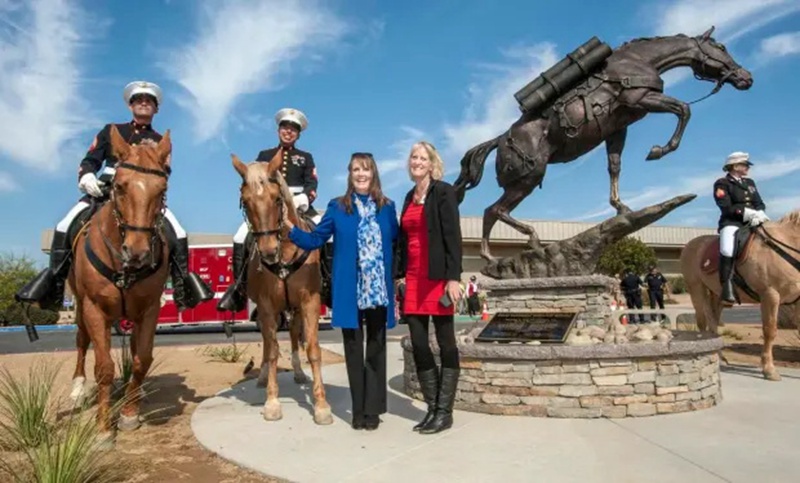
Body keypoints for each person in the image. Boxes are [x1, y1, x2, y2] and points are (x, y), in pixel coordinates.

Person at [15, 81, 213, 312]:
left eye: (149, 101)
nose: (143, 103)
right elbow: (91, 159)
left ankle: (182, 287)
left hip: (144, 198)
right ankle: (54, 288)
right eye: (138, 99)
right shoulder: (112, 130)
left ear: (156, 109)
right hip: (104, 190)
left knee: (178, 232)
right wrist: (88, 176)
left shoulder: (161, 140)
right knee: (64, 225)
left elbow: (164, 173)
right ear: (130, 106)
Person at [287, 153, 398, 431]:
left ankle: (373, 410)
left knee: (376, 348)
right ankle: (357, 409)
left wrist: (399, 276)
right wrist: (290, 231)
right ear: (350, 174)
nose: (361, 174)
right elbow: (316, 239)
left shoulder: (387, 207)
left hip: (378, 291)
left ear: (374, 174)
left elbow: (397, 243)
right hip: (350, 289)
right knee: (352, 349)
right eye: (356, 170)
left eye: (366, 169)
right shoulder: (337, 207)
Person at [218, 107, 331, 313]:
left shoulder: (305, 157)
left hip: (300, 206)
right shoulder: (265, 155)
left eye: (293, 129)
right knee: (240, 237)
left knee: (327, 237)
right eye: (285, 127)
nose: (288, 132)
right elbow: (255, 183)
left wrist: (301, 199)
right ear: (279, 130)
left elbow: (312, 185)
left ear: (298, 134)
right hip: (269, 208)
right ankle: (239, 288)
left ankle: (328, 283)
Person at [395, 141, 463, 435]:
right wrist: (398, 276)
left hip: (438, 277)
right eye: (413, 157)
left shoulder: (444, 191)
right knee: (420, 344)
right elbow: (401, 241)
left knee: (446, 343)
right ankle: (432, 409)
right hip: (413, 278)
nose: (417, 161)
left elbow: (453, 236)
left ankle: (444, 412)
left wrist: (453, 277)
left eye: (422, 157)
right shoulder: (409, 196)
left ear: (432, 163)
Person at [714, 151, 768, 304]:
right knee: (727, 249)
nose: (747, 168)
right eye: (745, 165)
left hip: (753, 222)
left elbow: (759, 201)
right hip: (732, 223)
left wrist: (760, 212)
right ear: (735, 166)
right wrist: (746, 213)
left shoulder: (750, 183)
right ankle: (726, 287)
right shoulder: (722, 184)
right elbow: (725, 207)